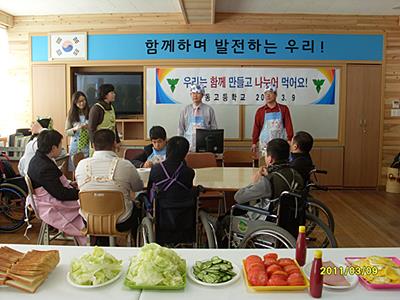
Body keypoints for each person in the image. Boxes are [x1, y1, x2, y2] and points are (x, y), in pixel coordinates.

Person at [217, 138, 304, 247]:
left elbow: (238, 197)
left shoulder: (268, 181)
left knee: (225, 219)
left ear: (270, 159)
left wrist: (255, 181)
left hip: (270, 222)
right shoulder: (296, 174)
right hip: (292, 224)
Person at [75, 129, 144, 245]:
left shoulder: (81, 165)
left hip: (89, 220)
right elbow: (138, 187)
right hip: (121, 221)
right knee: (139, 205)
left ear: (92, 145)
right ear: (114, 144)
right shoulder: (125, 164)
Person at [27, 130, 86, 245]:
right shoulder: (44, 167)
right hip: (48, 203)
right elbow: (61, 194)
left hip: (48, 195)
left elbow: (54, 183)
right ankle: (92, 237)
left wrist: (70, 183)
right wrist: (82, 193)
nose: (61, 148)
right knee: (88, 205)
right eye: (60, 145)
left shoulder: (39, 159)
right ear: (54, 148)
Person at [146, 136, 195, 245]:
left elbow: (149, 191)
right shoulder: (189, 172)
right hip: (184, 216)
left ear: (167, 149)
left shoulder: (156, 169)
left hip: (162, 215)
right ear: (185, 153)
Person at [251, 83, 294, 155]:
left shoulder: (284, 109)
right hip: (265, 145)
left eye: (270, 93)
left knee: (280, 164)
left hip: (280, 144)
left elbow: (289, 125)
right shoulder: (260, 111)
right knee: (265, 164)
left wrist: (290, 139)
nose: (268, 95)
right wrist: (254, 142)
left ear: (275, 95)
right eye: (265, 93)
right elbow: (256, 127)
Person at [178, 84, 218, 152]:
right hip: (188, 146)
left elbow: (214, 129)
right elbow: (180, 129)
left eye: (198, 93)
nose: (195, 95)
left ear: (202, 95)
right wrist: (179, 146)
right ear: (190, 94)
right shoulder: (185, 110)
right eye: (193, 93)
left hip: (205, 146)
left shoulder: (209, 109)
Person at [88, 84, 121, 151]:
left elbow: (114, 126)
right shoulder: (96, 109)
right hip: (99, 146)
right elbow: (91, 129)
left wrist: (117, 141)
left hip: (110, 144)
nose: (114, 94)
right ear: (105, 95)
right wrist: (94, 144)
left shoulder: (111, 107)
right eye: (112, 93)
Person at [65, 91, 90, 171]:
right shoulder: (71, 114)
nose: (82, 103)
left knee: (87, 168)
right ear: (75, 103)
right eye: (79, 101)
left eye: (83, 100)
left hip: (88, 144)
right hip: (75, 145)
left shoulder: (91, 112)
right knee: (76, 170)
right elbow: (67, 132)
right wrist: (75, 129)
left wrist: (88, 127)